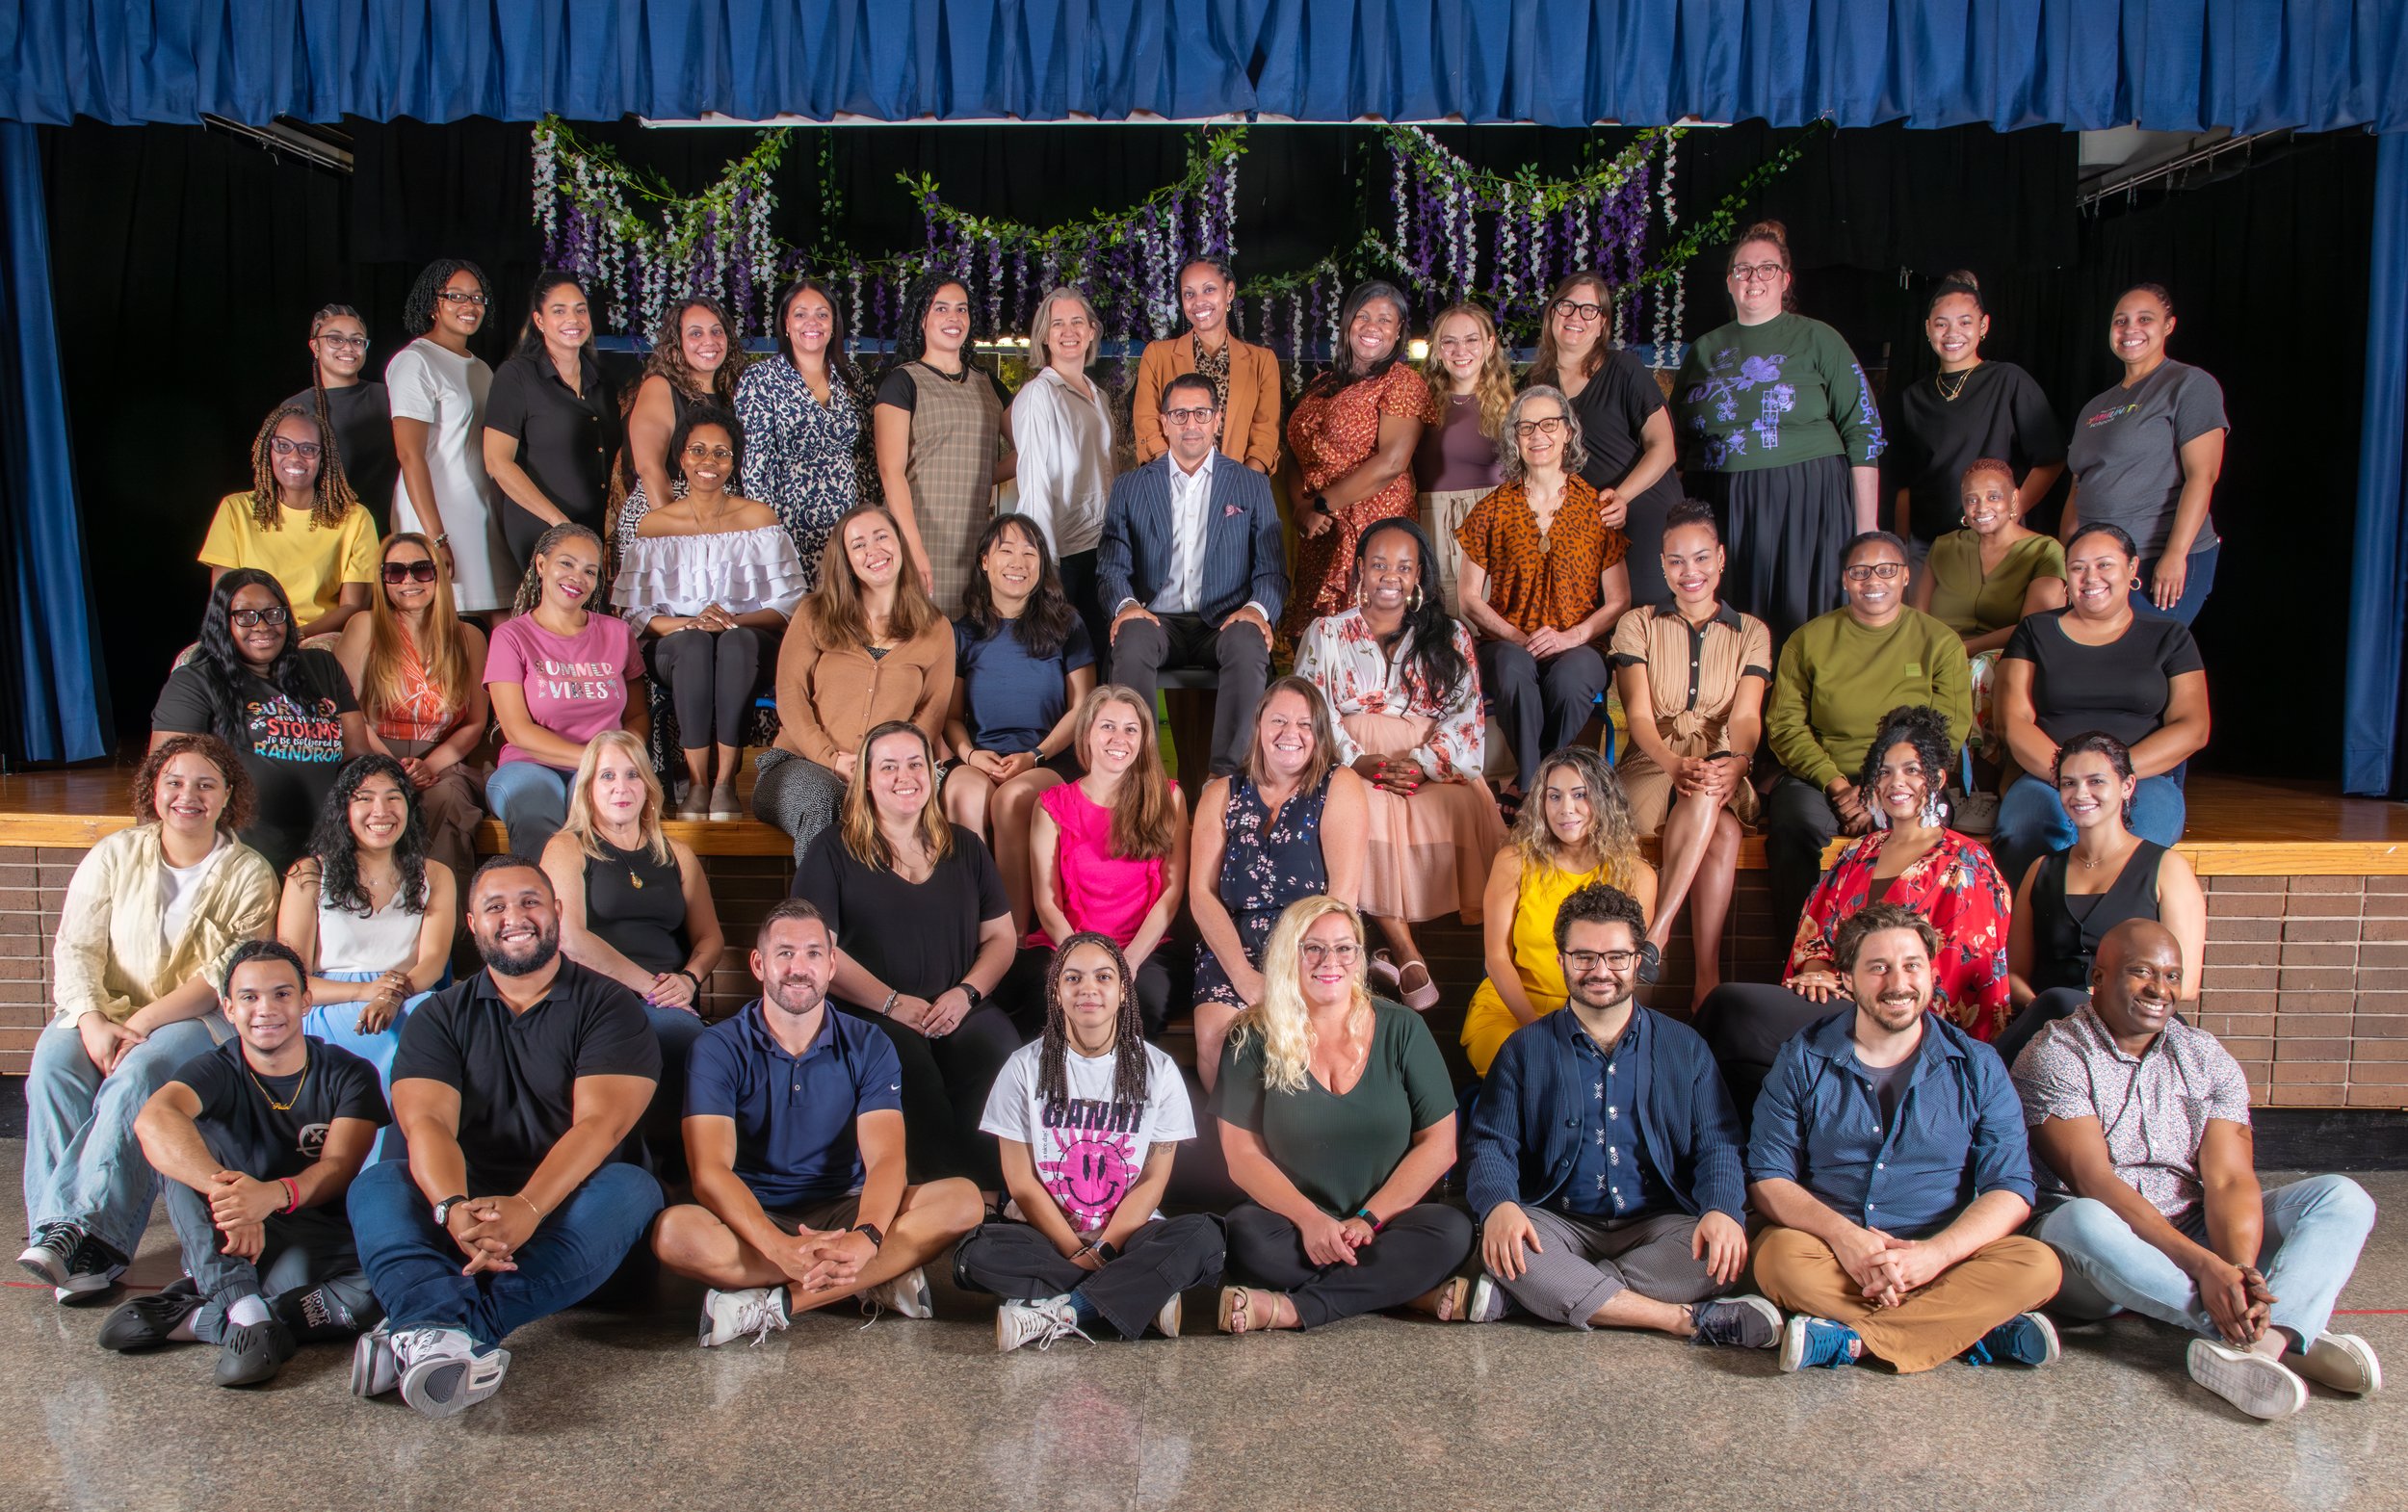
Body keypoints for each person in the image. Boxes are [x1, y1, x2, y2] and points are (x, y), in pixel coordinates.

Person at [2019, 920, 2380, 1420]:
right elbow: (2094, 1182)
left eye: (2172, 976)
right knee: (2081, 1218)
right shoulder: (2054, 1055)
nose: (2159, 989)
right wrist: (2206, 1268)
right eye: (2141, 972)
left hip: (2192, 1226)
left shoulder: (2204, 1055)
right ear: (2098, 978)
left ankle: (2269, 1339)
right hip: (2096, 1254)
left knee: (2341, 1197)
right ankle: (2278, 1336)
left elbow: (2229, 1179)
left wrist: (2238, 1270)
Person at [345, 856, 664, 1419]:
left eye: (530, 902)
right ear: (473, 924)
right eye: (496, 907)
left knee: (634, 1188)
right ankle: (449, 1336)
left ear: (557, 912)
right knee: (377, 1185)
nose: (514, 917)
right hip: (465, 1221)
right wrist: (451, 1207)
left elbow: (600, 1125)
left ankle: (425, 1326)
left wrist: (529, 1208)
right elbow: (428, 1124)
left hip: (570, 1221)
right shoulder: (439, 1015)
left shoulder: (612, 1007)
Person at [1745, 902, 2063, 1374]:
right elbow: (1768, 1178)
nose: (1898, 983)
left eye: (1912, 965)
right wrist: (1848, 1239)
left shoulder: (1978, 1065)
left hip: (1944, 1255)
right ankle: (1972, 1328)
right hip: (1835, 1253)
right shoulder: (1802, 1059)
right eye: (1878, 968)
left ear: (1931, 973)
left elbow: (2011, 1188)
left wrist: (1936, 1256)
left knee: (2037, 1263)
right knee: (1778, 1258)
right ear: (1846, 979)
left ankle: (1853, 1341)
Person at [17, 737, 277, 1301]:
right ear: (153, 791)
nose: (189, 796)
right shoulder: (114, 854)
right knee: (54, 1062)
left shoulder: (250, 874)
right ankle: (64, 1247)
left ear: (228, 795)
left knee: (143, 1072)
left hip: (195, 1020)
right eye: (175, 783)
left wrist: (140, 1026)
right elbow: (76, 947)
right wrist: (91, 1020)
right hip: (105, 1009)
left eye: (206, 785)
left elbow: (220, 978)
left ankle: (88, 1237)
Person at [1462, 883, 1777, 1347]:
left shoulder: (1685, 1046)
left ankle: (1543, 1295)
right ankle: (1683, 1320)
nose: (1600, 971)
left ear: (1638, 961)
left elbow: (1718, 1143)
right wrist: (1499, 1205)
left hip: (1660, 1224)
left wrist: (1722, 1209)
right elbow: (1490, 1143)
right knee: (1511, 1247)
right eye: (1583, 957)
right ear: (1561, 960)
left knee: (1718, 1253)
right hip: (1556, 1220)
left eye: (1616, 957)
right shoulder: (1522, 1049)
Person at [656, 899, 983, 1345]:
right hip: (757, 1215)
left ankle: (777, 1304)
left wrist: (867, 1236)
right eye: (784, 953)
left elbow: (886, 1159)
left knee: (963, 1201)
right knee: (674, 1235)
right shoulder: (717, 1047)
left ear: (831, 965)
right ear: (759, 964)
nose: (799, 968)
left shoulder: (869, 1043)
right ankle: (872, 1277)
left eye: (813, 953)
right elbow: (710, 1172)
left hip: (845, 1205)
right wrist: (779, 1248)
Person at [102, 942, 387, 1387]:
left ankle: (213, 1317)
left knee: (380, 1288)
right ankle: (246, 1310)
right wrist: (233, 1197)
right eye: (250, 997)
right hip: (232, 1235)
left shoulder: (349, 1072)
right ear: (229, 1008)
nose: (266, 1009)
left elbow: (339, 1167)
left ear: (305, 1001)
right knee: (177, 1156)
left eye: (282, 994)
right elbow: (153, 1120)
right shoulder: (213, 1069)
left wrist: (269, 1196)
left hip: (313, 1238)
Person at [1705, 706, 2014, 1104]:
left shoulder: (1966, 862)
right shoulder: (1858, 853)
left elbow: (1958, 974)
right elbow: (1814, 938)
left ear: (1937, 779)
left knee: (1732, 1010)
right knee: (1737, 1042)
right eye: (1884, 772)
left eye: (1912, 771)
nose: (1895, 782)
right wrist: (1817, 976)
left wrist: (1852, 986)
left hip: (1906, 1019)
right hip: (1836, 1005)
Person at [1216, 897, 1474, 1332]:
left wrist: (1369, 1219)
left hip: (1387, 1222)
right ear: (1289, 955)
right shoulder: (1251, 1036)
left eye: (1343, 948)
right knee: (1244, 1235)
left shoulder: (1403, 1028)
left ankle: (1292, 1309)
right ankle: (1406, 1292)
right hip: (1295, 1226)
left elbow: (1441, 1145)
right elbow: (1241, 1155)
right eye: (1313, 948)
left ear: (1359, 957)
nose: (1329, 961)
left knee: (1451, 1230)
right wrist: (1310, 1220)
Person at [957, 933, 1224, 1349]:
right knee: (978, 1252)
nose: (1088, 988)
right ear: (1056, 992)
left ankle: (1064, 1310)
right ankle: (1142, 1297)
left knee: (1204, 1237)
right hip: (1046, 1233)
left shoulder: (1159, 1070)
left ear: (1123, 991)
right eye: (1073, 978)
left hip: (1128, 1234)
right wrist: (1075, 1249)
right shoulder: (1023, 1068)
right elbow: (1021, 1183)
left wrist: (1106, 1248)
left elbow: (1153, 1181)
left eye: (1103, 977)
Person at [792, 721, 1024, 1189]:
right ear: (867, 779)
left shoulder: (966, 847)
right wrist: (891, 1002)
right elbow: (817, 948)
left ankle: (998, 1190)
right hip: (870, 1010)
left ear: (932, 774)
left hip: (959, 1003)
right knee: (904, 1063)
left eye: (916, 764)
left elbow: (1002, 937)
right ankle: (937, 1196)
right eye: (889, 766)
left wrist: (967, 993)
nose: (905, 776)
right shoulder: (832, 849)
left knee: (998, 1051)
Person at [1293, 518, 1500, 1011]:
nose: (1391, 576)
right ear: (1359, 569)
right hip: (1349, 759)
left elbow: (1466, 714)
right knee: (1357, 806)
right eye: (1380, 565)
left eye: (1404, 567)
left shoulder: (1450, 634)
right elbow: (1310, 707)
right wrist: (1358, 760)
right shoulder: (1327, 632)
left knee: (1455, 806)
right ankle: (1407, 953)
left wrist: (1424, 763)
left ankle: (1391, 954)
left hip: (1428, 764)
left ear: (1418, 575)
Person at [1675, 222, 1886, 645]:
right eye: (1743, 269)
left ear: (1785, 279)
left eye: (1766, 268)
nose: (1754, 278)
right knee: (1730, 624)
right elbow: (1676, 437)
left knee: (1799, 617)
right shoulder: (1704, 349)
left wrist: (1866, 532)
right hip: (1721, 500)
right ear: (1729, 281)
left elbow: (1863, 432)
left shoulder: (1819, 338)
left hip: (1805, 498)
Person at [1761, 531, 1972, 938]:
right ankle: (1803, 953)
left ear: (1906, 576)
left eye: (1886, 570)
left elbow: (1948, 732)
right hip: (1823, 776)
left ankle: (1905, 951)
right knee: (1794, 824)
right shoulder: (1808, 640)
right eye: (1860, 571)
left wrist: (1878, 788)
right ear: (1845, 579)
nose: (1873, 580)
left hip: (1907, 776)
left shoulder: (1940, 642)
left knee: (1918, 825)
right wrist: (1838, 785)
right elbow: (1784, 726)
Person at [541, 729, 724, 1183]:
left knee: (693, 1039)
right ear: (588, 787)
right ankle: (629, 1173)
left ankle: (685, 1177)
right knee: (657, 1033)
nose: (620, 787)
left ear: (648, 786)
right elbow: (569, 937)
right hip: (594, 999)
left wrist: (688, 980)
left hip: (669, 999)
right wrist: (651, 988)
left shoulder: (677, 854)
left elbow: (710, 939)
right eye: (607, 776)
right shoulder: (567, 847)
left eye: (632, 775)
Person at [1609, 500, 1771, 1004]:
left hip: (1723, 760)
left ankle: (1657, 937)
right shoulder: (1637, 624)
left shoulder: (1752, 632)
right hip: (1652, 758)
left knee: (1710, 786)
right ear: (1662, 565)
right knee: (1722, 831)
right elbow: (1639, 717)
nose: (1690, 572)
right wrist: (1672, 762)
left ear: (1720, 559)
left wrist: (1738, 762)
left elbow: (1745, 718)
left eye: (1701, 558)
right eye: (1677, 561)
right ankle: (1706, 980)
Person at [1990, 521, 2211, 887]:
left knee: (2143, 841)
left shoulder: (2170, 637)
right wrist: (2071, 777)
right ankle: (2041, 920)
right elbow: (2013, 721)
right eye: (2078, 567)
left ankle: (2117, 924)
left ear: (2132, 568)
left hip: (2141, 778)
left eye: (2104, 564)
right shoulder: (2034, 631)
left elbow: (2193, 726)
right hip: (2048, 775)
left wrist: (2111, 777)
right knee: (2025, 830)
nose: (2091, 577)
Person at [612, 405, 806, 819]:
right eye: (698, 450)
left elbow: (790, 605)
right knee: (695, 644)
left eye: (721, 453)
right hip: (677, 647)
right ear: (681, 457)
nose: (709, 461)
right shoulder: (654, 527)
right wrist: (691, 623)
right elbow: (636, 615)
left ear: (733, 463)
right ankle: (698, 784)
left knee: (734, 642)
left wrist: (731, 621)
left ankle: (725, 783)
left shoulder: (758, 518)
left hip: (750, 642)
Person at [1096, 373, 1286, 778]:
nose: (1190, 424)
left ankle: (1228, 779)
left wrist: (1256, 611)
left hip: (1224, 621)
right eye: (1179, 414)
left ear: (1217, 419)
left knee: (1249, 639)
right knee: (1131, 636)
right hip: (1156, 619)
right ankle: (1141, 778)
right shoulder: (1131, 487)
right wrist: (1126, 606)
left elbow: (1272, 570)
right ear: (1164, 422)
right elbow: (1111, 567)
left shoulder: (1251, 485)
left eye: (1201, 413)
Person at [1190, 679, 1370, 1091]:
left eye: (1305, 724)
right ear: (1258, 726)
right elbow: (1201, 894)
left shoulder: (1338, 785)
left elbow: (1342, 898)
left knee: (1305, 1040)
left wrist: (1294, 974)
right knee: (1218, 1043)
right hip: (1233, 946)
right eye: (1279, 721)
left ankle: (1299, 1127)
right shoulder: (1221, 794)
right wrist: (1244, 976)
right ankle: (1234, 1133)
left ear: (1319, 734)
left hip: (1315, 946)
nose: (1291, 733)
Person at [1456, 384, 1633, 801]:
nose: (1538, 435)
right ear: (1514, 438)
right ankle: (1548, 791)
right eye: (1526, 427)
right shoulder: (1491, 509)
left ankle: (1531, 787)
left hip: (1580, 644)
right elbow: (1468, 598)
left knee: (1571, 681)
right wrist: (1519, 638)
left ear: (1568, 432)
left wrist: (1572, 637)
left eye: (1549, 424)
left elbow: (1619, 599)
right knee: (1513, 671)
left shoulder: (1597, 509)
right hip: (1507, 643)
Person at [755, 502, 955, 864]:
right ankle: (817, 904)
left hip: (889, 771)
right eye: (859, 544)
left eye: (882, 537)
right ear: (846, 560)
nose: (873, 550)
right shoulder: (814, 613)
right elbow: (790, 693)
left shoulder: (936, 628)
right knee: (824, 798)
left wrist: (885, 768)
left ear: (900, 543)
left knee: (900, 809)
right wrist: (830, 759)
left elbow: (932, 713)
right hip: (798, 764)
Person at [1996, 733, 2206, 1070]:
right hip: (2049, 1026)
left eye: (2096, 781)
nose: (2081, 793)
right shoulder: (2041, 870)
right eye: (2069, 783)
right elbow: (2014, 973)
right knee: (2054, 1003)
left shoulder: (2167, 868)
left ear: (2127, 786)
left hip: (2136, 1025)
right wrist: (2047, 1011)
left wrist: (2088, 1011)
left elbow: (2187, 984)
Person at [151, 570, 366, 874]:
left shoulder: (323, 667)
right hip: (243, 861)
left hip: (326, 853)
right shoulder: (195, 682)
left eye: (273, 614)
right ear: (222, 622)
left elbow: (356, 755)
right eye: (246, 616)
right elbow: (165, 775)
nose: (262, 626)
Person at [1462, 746, 1659, 1077]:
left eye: (1580, 794)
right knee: (1537, 1069)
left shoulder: (1636, 876)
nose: (1565, 809)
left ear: (1604, 799)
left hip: (1593, 1014)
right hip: (1511, 1010)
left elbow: (1623, 972)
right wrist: (1539, 1030)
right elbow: (1496, 959)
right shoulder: (1513, 862)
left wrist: (1590, 1033)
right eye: (1554, 796)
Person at [945, 512, 1097, 928]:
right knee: (963, 794)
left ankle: (1010, 940)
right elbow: (951, 717)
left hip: (1048, 759)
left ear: (1042, 564)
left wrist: (1035, 756)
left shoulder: (1067, 624)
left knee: (1011, 801)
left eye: (1030, 553)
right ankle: (968, 930)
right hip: (981, 757)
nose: (1018, 562)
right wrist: (971, 755)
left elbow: (1082, 708)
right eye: (1006, 551)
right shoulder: (961, 633)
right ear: (984, 562)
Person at [276, 755, 455, 1093]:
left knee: (427, 1017)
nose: (381, 811)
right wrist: (364, 992)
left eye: (393, 797)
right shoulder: (309, 872)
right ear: (343, 809)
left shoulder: (435, 875)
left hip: (407, 995)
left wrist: (391, 997)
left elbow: (433, 961)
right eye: (365, 798)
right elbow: (291, 977)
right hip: (327, 1002)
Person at [1023, 685, 1189, 1037]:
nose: (1119, 739)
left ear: (1143, 739)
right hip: (1067, 944)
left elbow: (1171, 893)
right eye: (1107, 726)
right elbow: (1047, 902)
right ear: (1086, 733)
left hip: (1143, 948)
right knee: (1054, 1002)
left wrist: (1129, 962)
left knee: (1142, 1004)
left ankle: (1127, 1076)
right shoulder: (1051, 806)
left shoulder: (1168, 797)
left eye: (1131, 729)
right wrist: (1081, 964)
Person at [2061, 283, 2229, 624]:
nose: (2130, 329)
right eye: (2120, 321)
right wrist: (2068, 559)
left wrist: (2175, 554)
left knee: (2143, 653)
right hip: (2098, 566)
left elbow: (2203, 476)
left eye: (2145, 319)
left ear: (2168, 325)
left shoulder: (2188, 384)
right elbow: (2078, 488)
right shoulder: (2094, 407)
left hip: (2156, 558)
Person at [1282, 281, 1441, 639]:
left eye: (1385, 320)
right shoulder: (1321, 383)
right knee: (1318, 642)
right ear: (1347, 322)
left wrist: (1321, 503)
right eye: (1363, 316)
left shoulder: (1401, 382)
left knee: (1371, 638)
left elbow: (1392, 462)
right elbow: (1293, 451)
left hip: (1372, 530)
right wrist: (1301, 507)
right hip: (1321, 531)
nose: (1372, 327)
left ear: (1399, 330)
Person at [1909, 458, 2068, 809]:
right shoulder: (1945, 546)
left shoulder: (2044, 550)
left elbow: (2034, 627)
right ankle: (1915, 784)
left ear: (2014, 500)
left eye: (1993, 496)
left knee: (1979, 669)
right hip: (1944, 651)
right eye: (1972, 499)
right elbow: (1918, 617)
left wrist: (1961, 649)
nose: (1981, 507)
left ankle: (1981, 786)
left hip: (2009, 653)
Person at [334, 533, 490, 887]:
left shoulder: (469, 637)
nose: (408, 580)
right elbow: (347, 713)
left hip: (441, 759)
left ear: (438, 574)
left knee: (447, 799)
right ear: (382, 579)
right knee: (379, 800)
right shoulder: (364, 626)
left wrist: (429, 767)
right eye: (395, 571)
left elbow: (475, 722)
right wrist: (390, 767)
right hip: (370, 752)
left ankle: (443, 911)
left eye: (421, 569)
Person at [483, 522, 645, 858]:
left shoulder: (618, 633)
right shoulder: (510, 637)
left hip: (604, 765)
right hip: (529, 764)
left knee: (599, 815)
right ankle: (546, 892)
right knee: (536, 811)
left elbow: (638, 715)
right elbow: (517, 731)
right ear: (541, 565)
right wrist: (598, 759)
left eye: (589, 571)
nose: (577, 578)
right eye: (567, 563)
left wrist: (622, 759)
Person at [1526, 271, 1685, 610]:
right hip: (1582, 527)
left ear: (1602, 324)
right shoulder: (1534, 384)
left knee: (1646, 614)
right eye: (1567, 306)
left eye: (1589, 310)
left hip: (1641, 510)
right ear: (1552, 313)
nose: (1576, 317)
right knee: (1593, 620)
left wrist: (1622, 496)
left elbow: (1664, 447)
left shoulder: (1624, 369)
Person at [1883, 274, 2065, 566]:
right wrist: (1902, 547)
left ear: (1983, 326)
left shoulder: (2008, 380)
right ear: (1928, 329)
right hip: (1927, 546)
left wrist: (2011, 514)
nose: (1952, 333)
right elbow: (1904, 482)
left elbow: (2051, 459)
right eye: (1942, 324)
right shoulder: (1913, 397)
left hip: (1993, 540)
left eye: (1965, 322)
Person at [875, 274, 1015, 613]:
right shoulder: (903, 382)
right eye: (941, 308)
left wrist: (981, 475)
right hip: (920, 535)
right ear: (922, 319)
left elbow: (1028, 452)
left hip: (975, 539)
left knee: (971, 632)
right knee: (921, 632)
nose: (954, 317)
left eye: (961, 309)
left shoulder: (988, 384)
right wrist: (913, 548)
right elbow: (890, 472)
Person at [736, 277, 880, 587]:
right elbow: (755, 469)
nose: (812, 322)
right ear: (786, 324)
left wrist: (874, 523)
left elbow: (869, 458)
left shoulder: (854, 378)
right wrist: (768, 538)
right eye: (800, 314)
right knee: (797, 613)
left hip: (850, 531)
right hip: (789, 529)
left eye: (822, 314)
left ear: (834, 325)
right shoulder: (760, 379)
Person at [388, 257, 510, 613]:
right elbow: (409, 455)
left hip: (480, 508)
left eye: (477, 297)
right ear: (433, 304)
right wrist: (435, 536)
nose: (469, 305)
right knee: (445, 617)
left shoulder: (482, 369)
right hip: (437, 512)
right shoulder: (416, 361)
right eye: (455, 296)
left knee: (500, 611)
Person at [199, 404, 378, 639]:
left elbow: (353, 606)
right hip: (252, 632)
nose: (294, 457)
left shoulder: (355, 518)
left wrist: (293, 637)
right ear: (269, 451)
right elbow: (224, 599)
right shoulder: (235, 509)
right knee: (190, 660)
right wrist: (263, 635)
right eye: (283, 446)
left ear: (323, 457)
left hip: (317, 637)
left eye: (308, 449)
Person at [484, 270, 621, 571]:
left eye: (580, 310)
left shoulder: (603, 382)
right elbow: (497, 462)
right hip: (543, 528)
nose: (573, 319)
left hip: (594, 530)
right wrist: (558, 522)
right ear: (540, 320)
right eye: (559, 311)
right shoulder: (516, 376)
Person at [1008, 286, 1118, 657]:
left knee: (1100, 661)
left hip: (1101, 552)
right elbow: (1034, 484)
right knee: (1062, 661)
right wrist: (1044, 566)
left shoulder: (1099, 396)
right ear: (1044, 335)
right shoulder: (1039, 395)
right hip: (1063, 558)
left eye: (1077, 322)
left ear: (1091, 331)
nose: (1068, 331)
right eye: (1057, 323)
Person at [1130, 257, 1284, 475]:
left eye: (1209, 290)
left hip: (1238, 486)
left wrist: (1244, 486)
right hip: (1171, 484)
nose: (1198, 301)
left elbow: (1264, 437)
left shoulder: (1262, 362)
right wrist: (1177, 481)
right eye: (1189, 294)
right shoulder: (1157, 356)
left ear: (1229, 292)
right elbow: (1148, 425)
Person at [613, 295, 745, 548]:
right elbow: (649, 468)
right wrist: (677, 534)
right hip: (664, 516)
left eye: (716, 331)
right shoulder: (660, 387)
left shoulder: (731, 395)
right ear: (677, 342)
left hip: (719, 521)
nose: (709, 341)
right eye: (696, 333)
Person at [1413, 301, 1509, 614]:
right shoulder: (1419, 402)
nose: (1460, 350)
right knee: (1436, 623)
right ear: (1438, 350)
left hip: (1491, 520)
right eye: (1449, 341)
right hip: (1431, 519)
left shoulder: (1511, 407)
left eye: (1471, 340)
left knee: (1488, 620)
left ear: (1489, 345)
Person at [284, 302, 397, 522]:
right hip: (324, 526)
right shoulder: (296, 408)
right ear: (315, 347)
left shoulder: (389, 396)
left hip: (390, 525)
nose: (348, 348)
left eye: (357, 341)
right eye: (335, 339)